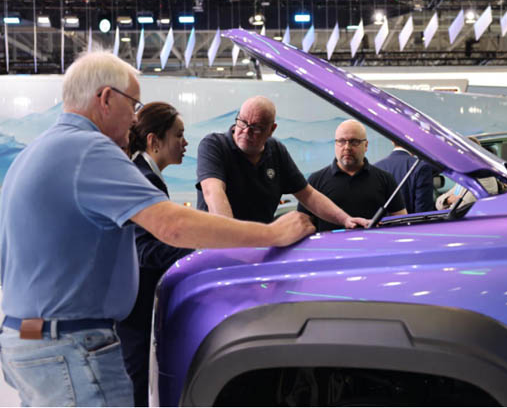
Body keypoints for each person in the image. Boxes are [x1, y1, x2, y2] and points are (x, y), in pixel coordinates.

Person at [0, 51, 314, 407]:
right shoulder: (89, 149)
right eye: (133, 104)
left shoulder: (37, 151)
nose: (135, 118)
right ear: (106, 98)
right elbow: (172, 226)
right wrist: (272, 235)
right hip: (70, 345)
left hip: (26, 336)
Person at [116, 102, 191, 406]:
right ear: (154, 140)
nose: (185, 142)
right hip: (134, 310)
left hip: (136, 306)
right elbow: (144, 250)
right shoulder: (142, 178)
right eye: (179, 135)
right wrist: (194, 246)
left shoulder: (148, 176)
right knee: (136, 386)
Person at [196, 95, 368, 228]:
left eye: (256, 127)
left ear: (271, 130)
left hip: (258, 244)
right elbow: (213, 192)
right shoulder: (214, 145)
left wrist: (345, 219)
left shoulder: (276, 151)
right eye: (242, 122)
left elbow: (308, 195)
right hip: (219, 245)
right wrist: (233, 238)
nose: (246, 131)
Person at [298, 119, 407, 232]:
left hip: (374, 242)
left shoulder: (385, 179)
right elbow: (302, 223)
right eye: (341, 141)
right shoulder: (315, 180)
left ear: (366, 145)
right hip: (330, 243)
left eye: (354, 141)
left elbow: (401, 221)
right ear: (335, 144)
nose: (347, 147)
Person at [375, 141, 435, 213]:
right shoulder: (421, 167)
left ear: (392, 142)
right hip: (410, 220)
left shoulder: (376, 167)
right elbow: (423, 212)